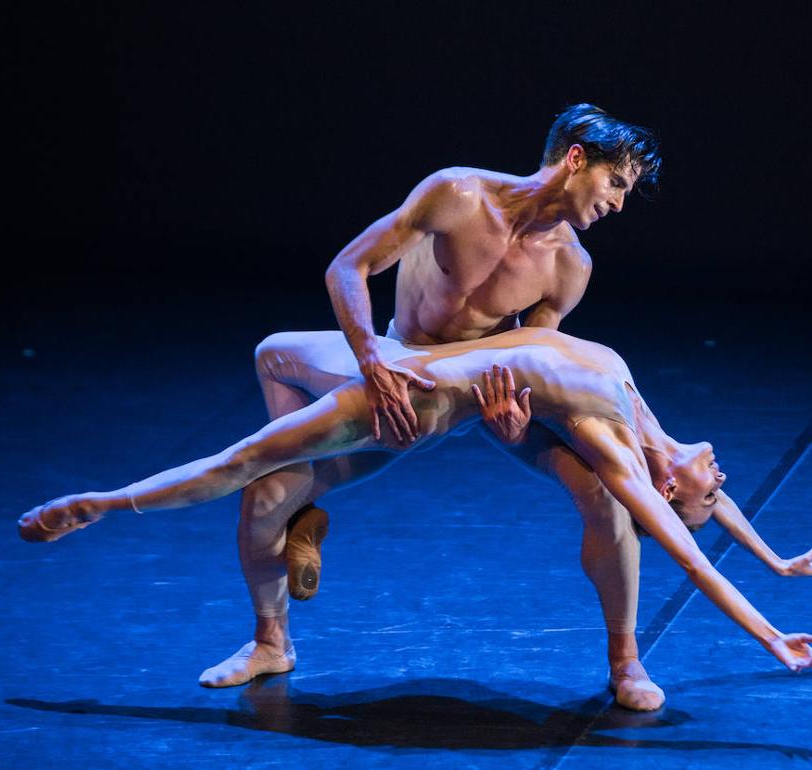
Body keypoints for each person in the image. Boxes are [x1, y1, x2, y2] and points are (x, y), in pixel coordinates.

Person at [19, 328, 812, 695]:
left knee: (244, 461)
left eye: (712, 486)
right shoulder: (638, 406)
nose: (724, 474)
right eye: (721, 483)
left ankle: (104, 502)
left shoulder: (618, 451)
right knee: (273, 356)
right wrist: (775, 559)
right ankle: (304, 511)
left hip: (419, 401)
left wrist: (771, 633)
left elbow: (692, 555)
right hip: (409, 359)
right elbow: (716, 516)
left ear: (672, 492)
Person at [245, 103, 674, 708]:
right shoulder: (458, 194)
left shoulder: (570, 265)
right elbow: (350, 266)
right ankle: (272, 639)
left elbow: (537, 350)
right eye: (616, 183)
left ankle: (626, 661)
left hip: (481, 392)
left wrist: (520, 414)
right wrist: (372, 358)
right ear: (576, 159)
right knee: (266, 462)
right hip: (399, 370)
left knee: (604, 494)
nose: (619, 204)